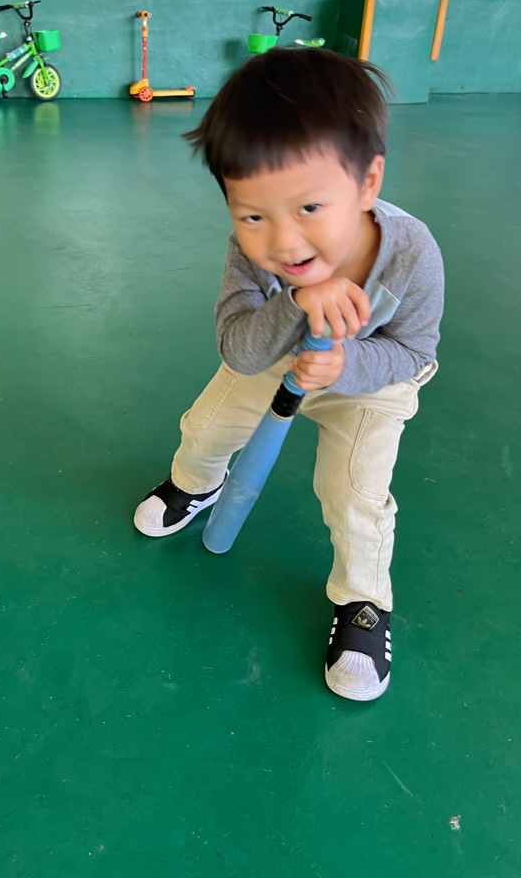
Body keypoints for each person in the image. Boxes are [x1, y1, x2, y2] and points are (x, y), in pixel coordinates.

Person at [134, 47, 444, 702]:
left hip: (371, 379)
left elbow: (415, 353)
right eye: (253, 215)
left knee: (355, 493)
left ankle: (363, 600)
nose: (282, 242)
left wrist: (348, 364)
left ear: (367, 182)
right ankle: (197, 486)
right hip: (279, 353)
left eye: (309, 208)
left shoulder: (412, 252)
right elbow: (240, 351)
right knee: (205, 430)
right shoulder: (252, 256)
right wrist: (297, 300)